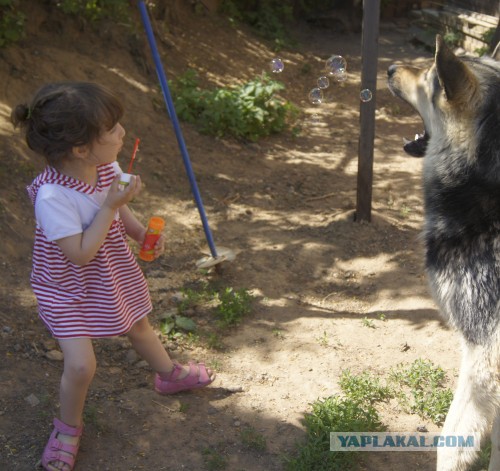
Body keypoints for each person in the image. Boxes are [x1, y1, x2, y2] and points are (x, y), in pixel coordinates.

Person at [11, 82, 215, 471]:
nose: (123, 132)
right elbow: (80, 255)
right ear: (80, 148)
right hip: (66, 287)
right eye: (113, 128)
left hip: (110, 274)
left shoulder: (106, 166)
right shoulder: (53, 197)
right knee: (82, 366)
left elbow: (120, 214)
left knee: (137, 322)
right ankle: (68, 430)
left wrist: (140, 233)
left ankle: (168, 375)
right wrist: (109, 205)